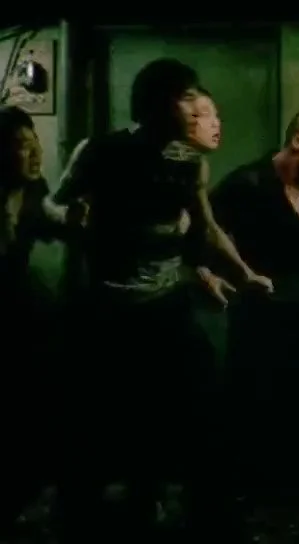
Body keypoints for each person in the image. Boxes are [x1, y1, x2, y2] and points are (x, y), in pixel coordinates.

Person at [44, 59, 270, 544]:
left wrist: (244, 273)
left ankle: (191, 512)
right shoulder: (103, 151)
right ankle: (90, 515)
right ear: (157, 104)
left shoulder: (188, 161)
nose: (194, 108)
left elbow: (206, 227)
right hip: (108, 309)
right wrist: (74, 221)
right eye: (185, 98)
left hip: (165, 305)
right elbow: (54, 203)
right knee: (105, 417)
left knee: (195, 406)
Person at [198, 108, 299, 497]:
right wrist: (207, 273)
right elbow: (202, 227)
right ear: (298, 141)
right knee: (253, 396)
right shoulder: (249, 183)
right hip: (258, 309)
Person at [0, 105, 63, 540]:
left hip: (19, 309)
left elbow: (48, 226)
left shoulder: (35, 188)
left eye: (35, 142)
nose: (35, 153)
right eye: (23, 146)